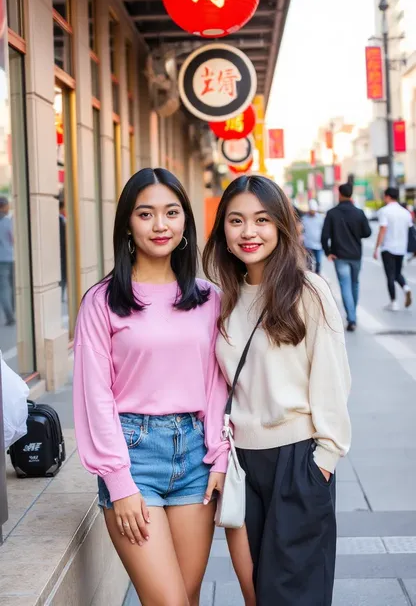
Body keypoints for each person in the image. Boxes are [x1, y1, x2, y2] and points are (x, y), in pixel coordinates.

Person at [73, 168, 229, 605]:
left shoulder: (207, 297)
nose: (160, 225)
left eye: (171, 213)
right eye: (146, 213)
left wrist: (218, 457)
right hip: (133, 454)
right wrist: (119, 482)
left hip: (196, 456)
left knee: (189, 595)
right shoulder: (101, 301)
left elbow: (216, 385)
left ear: (185, 223)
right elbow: (94, 397)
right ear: (128, 222)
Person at [203, 175, 351, 606]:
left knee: (292, 596)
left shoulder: (308, 291)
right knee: (256, 596)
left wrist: (323, 461)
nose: (249, 232)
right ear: (223, 232)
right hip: (241, 465)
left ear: (281, 225)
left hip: (297, 460)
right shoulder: (223, 298)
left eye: (262, 220)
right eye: (236, 221)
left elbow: (333, 378)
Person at [321, 183, 371, 332]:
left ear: (339, 193)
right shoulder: (359, 213)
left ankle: (352, 318)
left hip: (339, 255)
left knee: (345, 286)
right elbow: (367, 232)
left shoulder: (332, 213)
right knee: (355, 284)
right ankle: (352, 315)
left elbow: (324, 236)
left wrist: (327, 251)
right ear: (351, 194)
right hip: (356, 255)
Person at [374, 187, 413, 311]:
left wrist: (376, 248)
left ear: (387, 196)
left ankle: (394, 302)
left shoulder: (384, 211)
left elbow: (382, 230)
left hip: (388, 247)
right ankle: (406, 287)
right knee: (397, 273)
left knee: (390, 275)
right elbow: (410, 229)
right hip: (401, 248)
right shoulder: (405, 212)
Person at [0, 196, 15, 327]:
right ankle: (12, 314)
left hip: (2, 260)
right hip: (10, 258)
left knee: (4, 288)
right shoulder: (7, 222)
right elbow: (13, 239)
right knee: (9, 288)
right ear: (3, 206)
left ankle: (10, 315)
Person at [302, 199, 324, 274]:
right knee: (308, 262)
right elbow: (302, 230)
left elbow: (323, 230)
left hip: (318, 244)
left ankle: (318, 275)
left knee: (318, 262)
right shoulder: (304, 218)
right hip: (308, 244)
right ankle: (310, 276)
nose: (313, 212)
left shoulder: (320, 218)